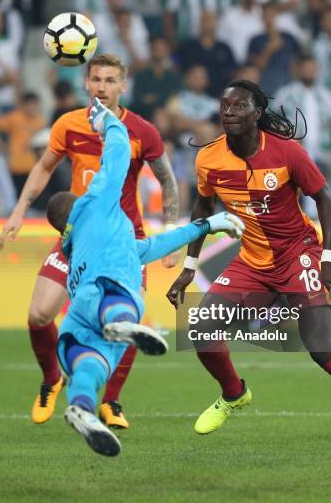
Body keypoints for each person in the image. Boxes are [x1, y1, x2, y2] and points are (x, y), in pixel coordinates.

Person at [166, 79, 331, 451]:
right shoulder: (208, 158)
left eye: (239, 105)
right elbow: (203, 210)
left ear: (256, 114)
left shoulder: (286, 152)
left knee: (321, 347)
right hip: (253, 261)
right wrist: (189, 265)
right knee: (202, 327)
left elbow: (325, 199)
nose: (229, 111)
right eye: (224, 105)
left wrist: (328, 259)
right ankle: (234, 394)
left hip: (298, 254)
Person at [48, 98, 244, 456]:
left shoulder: (76, 245)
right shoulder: (94, 203)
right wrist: (107, 121)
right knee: (125, 295)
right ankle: (121, 323)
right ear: (76, 201)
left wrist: (207, 224)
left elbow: (153, 246)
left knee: (90, 370)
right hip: (105, 294)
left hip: (75, 325)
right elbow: (120, 151)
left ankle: (81, 409)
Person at [0, 54, 179, 430]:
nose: (102, 87)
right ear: (86, 83)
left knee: (129, 321)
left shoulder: (142, 131)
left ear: (123, 86)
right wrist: (19, 209)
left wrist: (172, 228)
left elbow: (166, 179)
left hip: (125, 241)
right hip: (77, 238)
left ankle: (110, 401)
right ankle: (52, 379)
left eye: (111, 80)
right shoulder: (69, 124)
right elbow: (45, 166)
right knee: (38, 314)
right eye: (96, 79)